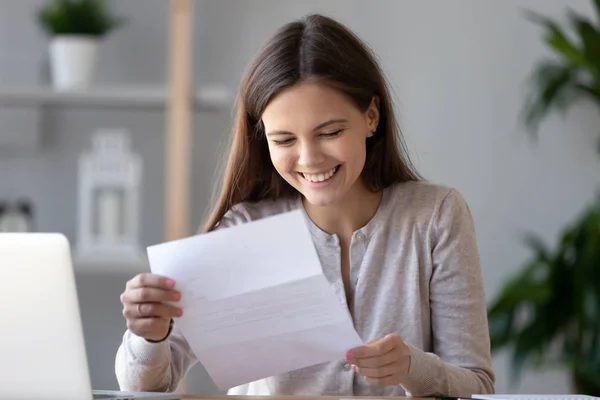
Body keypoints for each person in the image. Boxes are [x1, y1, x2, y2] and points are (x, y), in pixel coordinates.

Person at [115, 13, 495, 397]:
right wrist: (149, 336)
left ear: (371, 117)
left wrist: (414, 368)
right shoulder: (244, 231)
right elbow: (147, 386)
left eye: (330, 132)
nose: (309, 158)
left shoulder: (436, 216)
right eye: (284, 141)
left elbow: (478, 385)